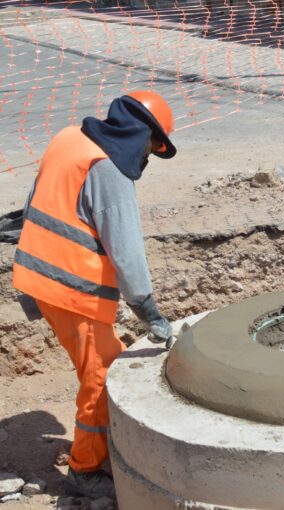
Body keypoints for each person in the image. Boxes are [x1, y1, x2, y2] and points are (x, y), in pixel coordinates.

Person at [12, 91, 177, 499]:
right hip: (72, 289)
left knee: (97, 361)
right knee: (102, 375)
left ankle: (95, 452)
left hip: (38, 274)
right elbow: (126, 250)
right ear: (145, 136)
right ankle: (84, 470)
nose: (149, 158)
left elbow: (39, 200)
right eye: (154, 149)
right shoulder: (110, 171)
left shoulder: (70, 138)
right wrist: (149, 311)